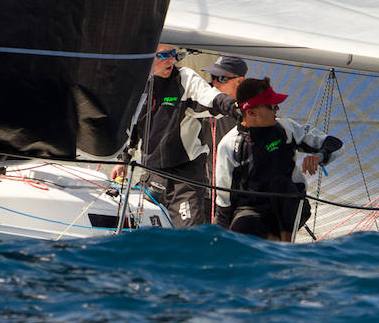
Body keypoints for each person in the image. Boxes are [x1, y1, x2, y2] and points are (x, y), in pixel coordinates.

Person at [111, 45, 239, 227]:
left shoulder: (184, 78)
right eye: (163, 55)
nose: (170, 60)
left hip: (185, 178)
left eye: (172, 55)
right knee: (144, 234)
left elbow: (211, 97)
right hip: (152, 174)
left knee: (188, 235)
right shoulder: (138, 85)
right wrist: (122, 159)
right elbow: (131, 127)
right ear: (149, 57)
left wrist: (235, 108)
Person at [214, 78, 342, 242]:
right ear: (252, 112)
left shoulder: (286, 128)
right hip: (252, 212)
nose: (277, 108)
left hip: (290, 205)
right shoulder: (229, 145)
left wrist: (320, 156)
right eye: (272, 105)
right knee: (243, 226)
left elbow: (335, 143)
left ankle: (283, 249)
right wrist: (221, 241)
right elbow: (224, 201)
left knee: (282, 186)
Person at [200, 55, 247, 224]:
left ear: (239, 81)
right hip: (202, 193)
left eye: (221, 78)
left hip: (233, 200)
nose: (214, 83)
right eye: (212, 77)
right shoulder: (204, 102)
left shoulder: (251, 114)